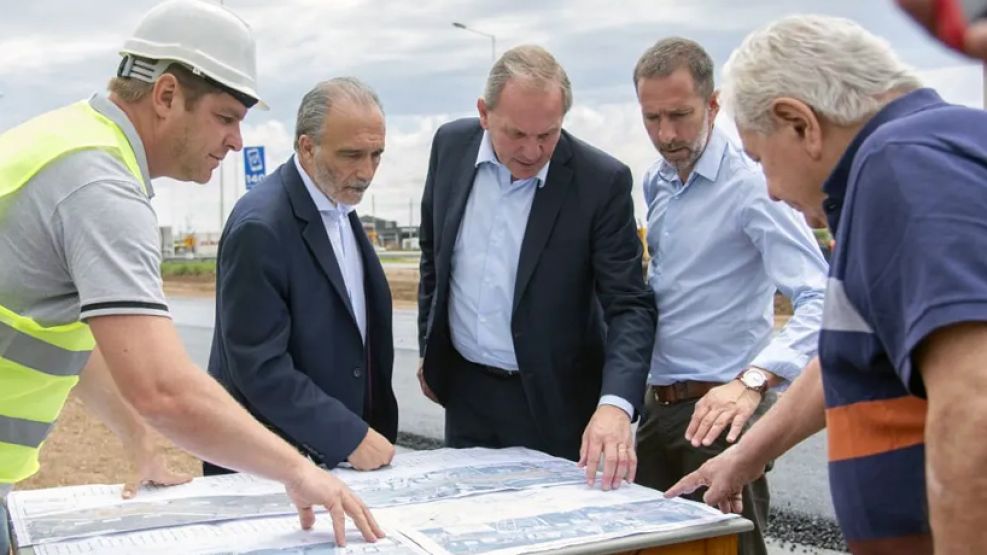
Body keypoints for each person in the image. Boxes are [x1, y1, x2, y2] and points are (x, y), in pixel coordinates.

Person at [0, 0, 383, 548]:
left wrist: (139, 440)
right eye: (225, 118)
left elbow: (58, 338)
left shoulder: (66, 142)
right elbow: (164, 388)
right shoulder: (100, 186)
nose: (236, 141)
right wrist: (300, 472)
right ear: (166, 96)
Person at [665, 15, 987, 554]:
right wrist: (742, 458)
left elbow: (976, 403)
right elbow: (845, 354)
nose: (768, 189)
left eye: (762, 159)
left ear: (801, 123)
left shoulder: (901, 166)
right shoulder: (914, 157)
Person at [417, 45, 657, 491]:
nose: (532, 151)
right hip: (467, 395)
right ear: (484, 113)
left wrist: (616, 405)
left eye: (548, 135)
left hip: (557, 406)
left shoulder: (600, 182)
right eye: (516, 134)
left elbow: (629, 306)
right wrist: (428, 345)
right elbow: (434, 255)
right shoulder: (450, 147)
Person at [631, 37, 828, 555]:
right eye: (652, 118)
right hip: (658, 410)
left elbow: (821, 297)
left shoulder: (750, 184)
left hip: (721, 417)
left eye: (680, 115)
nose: (666, 134)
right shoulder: (658, 183)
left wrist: (753, 380)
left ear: (713, 104)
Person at [205, 78, 398, 476]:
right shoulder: (261, 227)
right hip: (270, 467)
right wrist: (347, 435)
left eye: (376, 155)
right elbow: (258, 367)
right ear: (307, 148)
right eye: (352, 155)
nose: (366, 172)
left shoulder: (338, 202)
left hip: (338, 462)